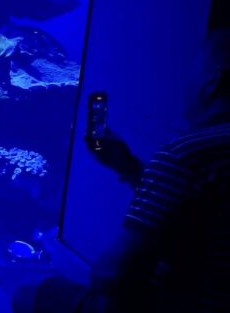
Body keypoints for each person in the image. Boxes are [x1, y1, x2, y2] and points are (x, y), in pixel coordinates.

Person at [15, 29, 230, 313]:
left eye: (193, 71)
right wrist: (127, 166)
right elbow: (196, 213)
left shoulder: (186, 154)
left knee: (31, 292)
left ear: (212, 79)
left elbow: (112, 277)